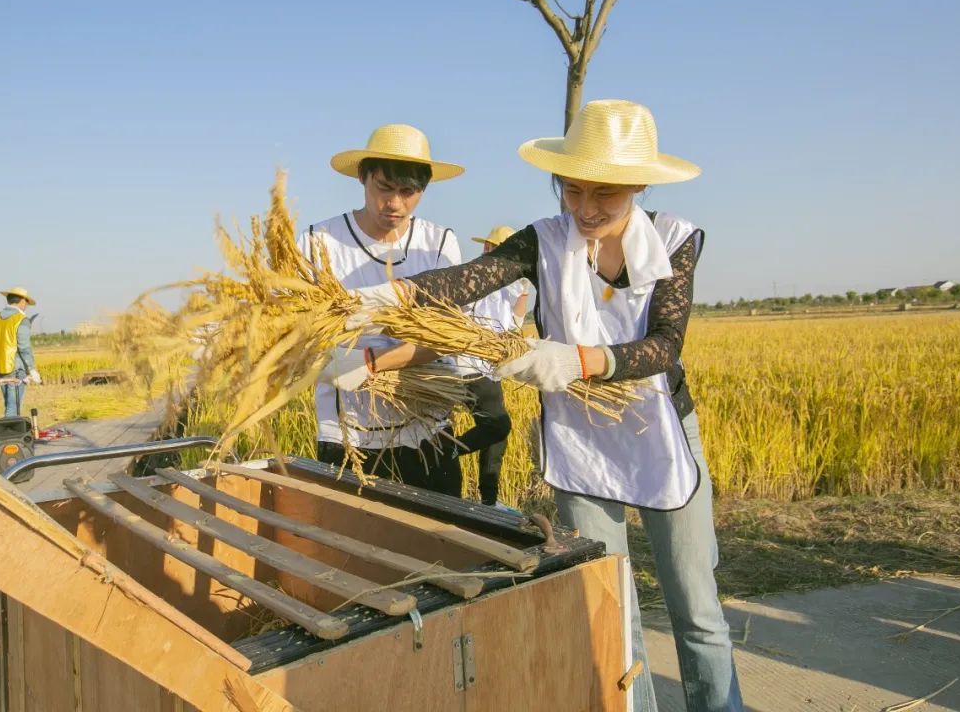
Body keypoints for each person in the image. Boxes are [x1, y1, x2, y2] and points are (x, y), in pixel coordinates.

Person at [348, 100, 743, 711]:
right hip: (582, 436)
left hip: (662, 426)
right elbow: (467, 281)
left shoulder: (675, 240)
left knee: (696, 606)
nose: (584, 208)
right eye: (572, 188)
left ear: (639, 184)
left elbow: (664, 346)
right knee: (608, 605)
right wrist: (386, 297)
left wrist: (578, 360)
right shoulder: (546, 239)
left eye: (604, 193)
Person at [302, 123, 464, 497]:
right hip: (348, 434)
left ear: (423, 190)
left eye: (408, 192)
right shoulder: (318, 242)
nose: (395, 204)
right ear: (363, 177)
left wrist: (371, 362)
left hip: (428, 428)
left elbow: (447, 337)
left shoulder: (438, 244)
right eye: (384, 188)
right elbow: (300, 326)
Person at [457, 225, 529, 510]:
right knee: (498, 426)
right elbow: (458, 315)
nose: (488, 251)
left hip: (489, 368)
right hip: (467, 366)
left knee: (496, 434)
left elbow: (513, 328)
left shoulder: (511, 288)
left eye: (493, 247)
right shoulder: (471, 278)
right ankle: (444, 453)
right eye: (487, 246)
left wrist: (522, 296)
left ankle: (488, 500)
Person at [0, 287, 41, 417]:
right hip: (16, 367)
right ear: (22, 301)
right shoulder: (21, 319)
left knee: (9, 404)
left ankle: (9, 434)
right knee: (13, 406)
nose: (26, 306)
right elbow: (24, 348)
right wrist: (32, 370)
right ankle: (9, 435)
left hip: (0, 367)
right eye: (26, 303)